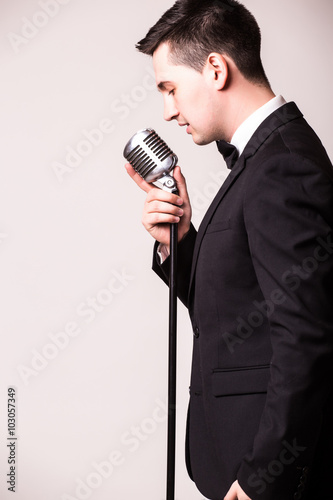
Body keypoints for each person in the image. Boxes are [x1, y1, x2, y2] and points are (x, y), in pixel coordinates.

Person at [125, 1, 333, 499]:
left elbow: (307, 337)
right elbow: (242, 313)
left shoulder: (282, 166)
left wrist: (265, 474)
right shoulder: (261, 162)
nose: (168, 110)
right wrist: (179, 241)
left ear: (216, 69)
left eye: (170, 88)